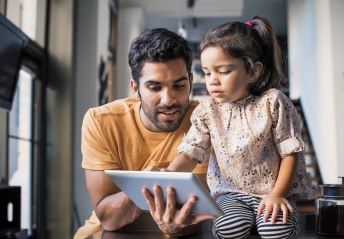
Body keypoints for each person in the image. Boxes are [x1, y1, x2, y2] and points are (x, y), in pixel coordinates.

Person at [161, 16, 316, 239]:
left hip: (273, 192)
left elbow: (290, 152)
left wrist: (278, 195)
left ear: (253, 71)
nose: (212, 80)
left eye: (223, 71)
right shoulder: (207, 112)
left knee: (276, 231)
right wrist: (170, 175)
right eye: (207, 72)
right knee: (229, 229)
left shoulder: (273, 102)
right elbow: (190, 153)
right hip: (231, 195)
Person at [74, 28, 215, 239]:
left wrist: (176, 224)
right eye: (155, 87)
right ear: (135, 88)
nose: (168, 99)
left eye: (178, 85)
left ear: (191, 83)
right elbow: (108, 218)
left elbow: (196, 211)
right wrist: (145, 185)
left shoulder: (207, 120)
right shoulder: (100, 122)